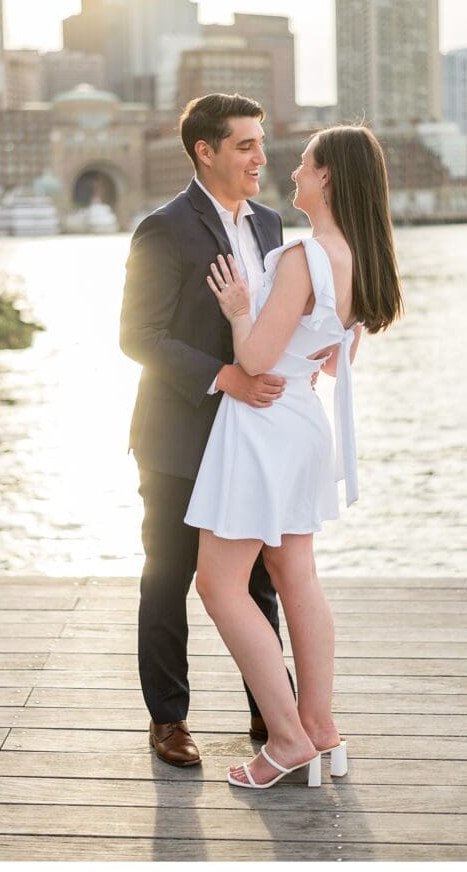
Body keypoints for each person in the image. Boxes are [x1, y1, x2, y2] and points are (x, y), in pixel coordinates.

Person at [185, 124, 404, 789]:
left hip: (262, 422)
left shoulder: (303, 257)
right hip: (305, 419)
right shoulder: (363, 258)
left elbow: (253, 359)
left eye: (306, 164)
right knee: (297, 575)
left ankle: (285, 739)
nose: (293, 172)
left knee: (218, 585)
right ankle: (320, 727)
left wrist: (237, 309)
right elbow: (340, 360)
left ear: (329, 176)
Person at [120, 93, 298, 767]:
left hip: (254, 434)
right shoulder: (163, 229)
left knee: (258, 580)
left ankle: (270, 714)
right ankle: (168, 720)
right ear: (206, 151)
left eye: (261, 142)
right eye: (246, 145)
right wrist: (226, 377)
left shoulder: (272, 224)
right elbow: (138, 337)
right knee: (168, 576)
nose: (261, 156)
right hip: (179, 437)